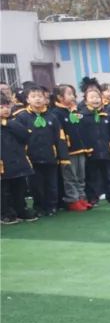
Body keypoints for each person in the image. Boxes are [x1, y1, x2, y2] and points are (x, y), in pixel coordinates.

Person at [14, 84, 68, 217]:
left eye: (40, 96)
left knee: (52, 184)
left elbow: (60, 137)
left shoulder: (52, 117)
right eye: (33, 97)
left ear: (45, 99)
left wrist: (63, 156)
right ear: (27, 99)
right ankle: (39, 206)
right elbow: (18, 139)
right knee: (36, 186)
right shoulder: (22, 117)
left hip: (50, 157)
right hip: (32, 158)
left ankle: (51, 206)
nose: (37, 99)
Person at [53, 83, 91, 212]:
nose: (73, 97)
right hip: (68, 151)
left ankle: (82, 198)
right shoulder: (56, 113)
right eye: (69, 94)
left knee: (81, 176)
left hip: (80, 148)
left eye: (73, 94)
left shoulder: (74, 110)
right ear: (59, 97)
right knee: (70, 176)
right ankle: (72, 200)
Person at [1, 93, 34, 224]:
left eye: (7, 106)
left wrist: (8, 124)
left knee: (19, 188)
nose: (5, 109)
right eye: (1, 107)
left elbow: (25, 136)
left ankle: (21, 210)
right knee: (4, 191)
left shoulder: (14, 123)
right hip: (3, 164)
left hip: (18, 161)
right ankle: (5, 213)